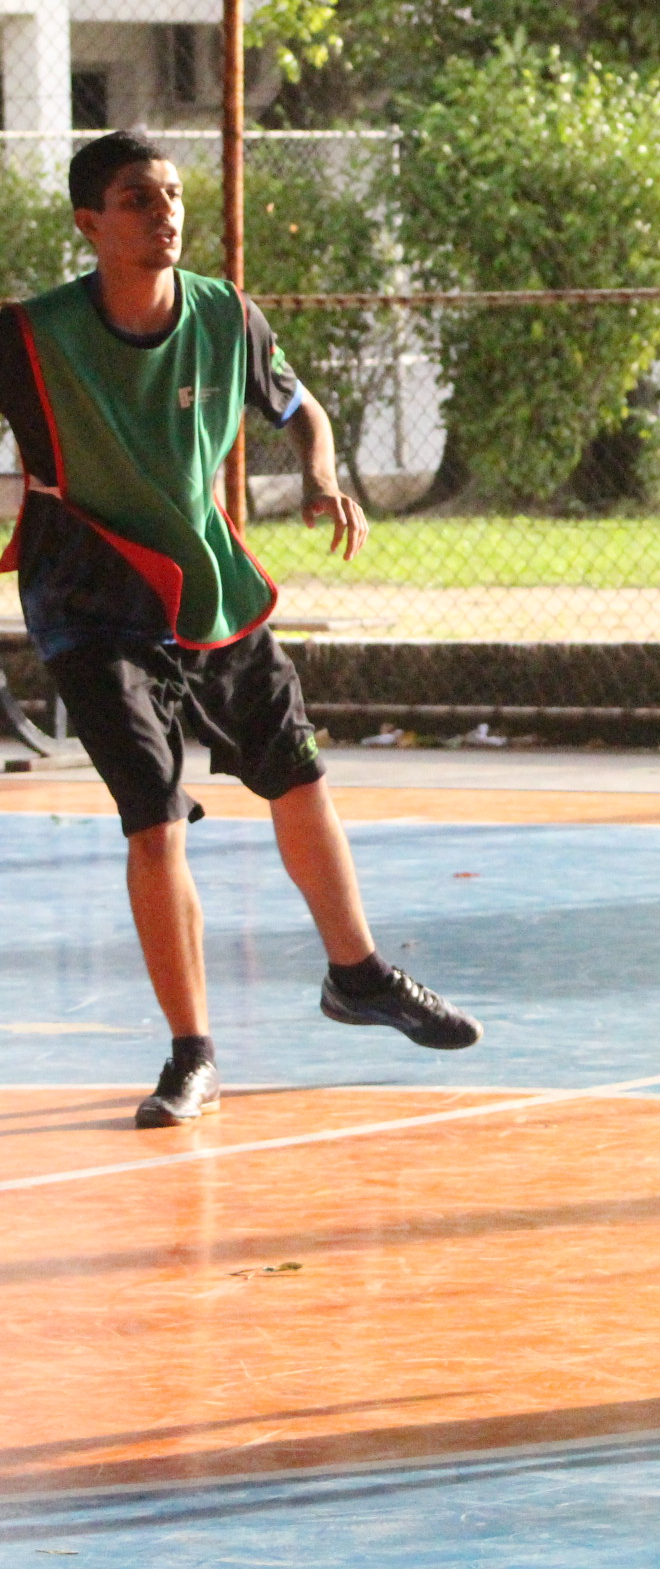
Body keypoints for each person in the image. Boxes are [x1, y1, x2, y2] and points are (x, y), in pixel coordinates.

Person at [0, 130, 480, 1129]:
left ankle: (358, 974)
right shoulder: (32, 336)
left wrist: (320, 475)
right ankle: (193, 1054)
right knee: (154, 816)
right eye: (138, 199)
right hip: (89, 601)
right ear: (90, 224)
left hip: (207, 589)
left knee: (297, 776)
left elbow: (303, 411)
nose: (165, 213)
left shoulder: (226, 316)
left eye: (172, 195)